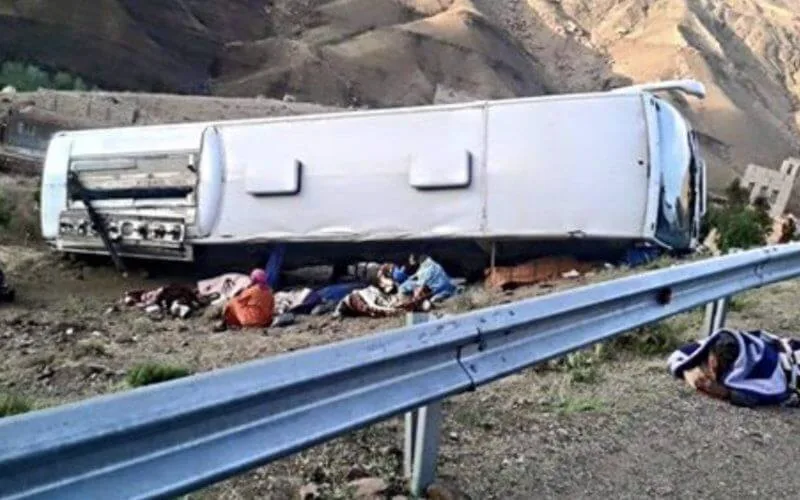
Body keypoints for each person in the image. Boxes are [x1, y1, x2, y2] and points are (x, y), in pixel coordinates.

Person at [668, 329, 800, 407]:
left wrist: (725, 393)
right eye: (712, 362)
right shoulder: (711, 345)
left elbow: (756, 395)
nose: (712, 368)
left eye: (718, 366)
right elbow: (678, 356)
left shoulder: (750, 360)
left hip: (784, 359)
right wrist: (690, 373)